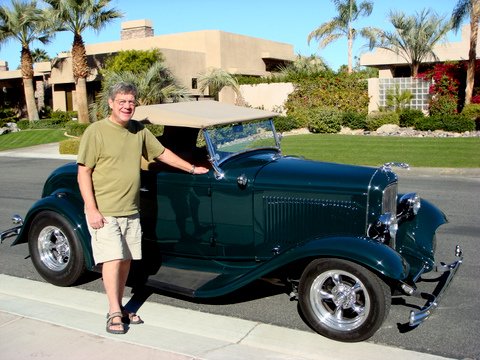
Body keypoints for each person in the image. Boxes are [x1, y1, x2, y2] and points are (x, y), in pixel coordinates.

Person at [77, 82, 208, 334]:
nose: (127, 106)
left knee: (126, 260)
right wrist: (91, 209)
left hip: (130, 208)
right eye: (122, 101)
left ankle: (121, 306)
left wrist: (192, 168)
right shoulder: (96, 131)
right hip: (104, 210)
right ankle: (114, 310)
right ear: (111, 103)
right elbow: (84, 172)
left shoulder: (139, 131)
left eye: (131, 101)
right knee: (112, 259)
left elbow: (162, 153)